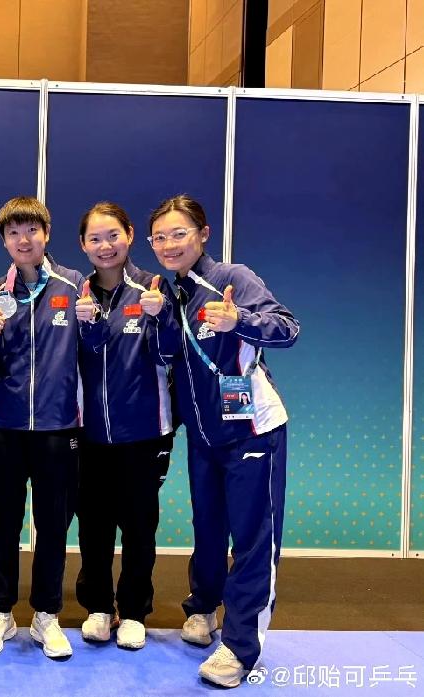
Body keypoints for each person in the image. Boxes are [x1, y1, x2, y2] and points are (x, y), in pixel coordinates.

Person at [148, 194, 299, 688]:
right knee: (208, 529)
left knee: (253, 537)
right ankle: (203, 607)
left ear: (203, 234)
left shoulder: (234, 278)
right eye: (159, 237)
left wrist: (241, 321)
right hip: (204, 436)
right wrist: (158, 320)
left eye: (179, 233)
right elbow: (170, 359)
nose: (169, 245)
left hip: (251, 430)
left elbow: (287, 329)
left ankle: (239, 646)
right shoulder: (171, 294)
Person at [0, 196, 85, 660]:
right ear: (4, 241)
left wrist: (95, 322)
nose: (23, 239)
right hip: (6, 426)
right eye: (14, 232)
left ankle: (46, 615)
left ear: (46, 234)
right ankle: (1, 611)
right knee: (1, 523)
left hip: (60, 427)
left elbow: (94, 344)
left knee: (54, 524)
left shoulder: (74, 286)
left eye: (31, 230)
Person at [72, 202, 179, 651]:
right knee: (93, 526)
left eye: (113, 235)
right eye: (95, 239)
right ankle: (99, 606)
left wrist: (162, 317)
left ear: (130, 235)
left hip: (144, 433)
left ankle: (134, 610)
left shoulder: (152, 288)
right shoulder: (76, 293)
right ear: (83, 245)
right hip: (89, 434)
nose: (105, 246)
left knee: (139, 526)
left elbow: (170, 353)